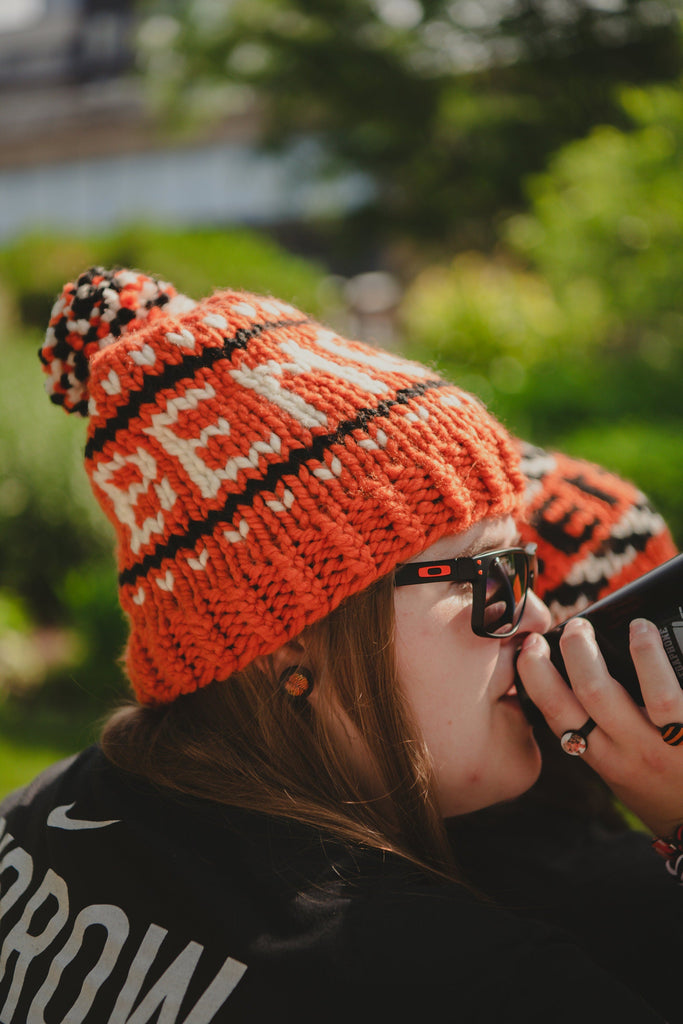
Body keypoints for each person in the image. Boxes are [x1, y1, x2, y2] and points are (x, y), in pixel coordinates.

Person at [0, 265, 681, 1023]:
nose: (538, 617)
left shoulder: (32, 819)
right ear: (285, 643)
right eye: (490, 574)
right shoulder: (455, 980)